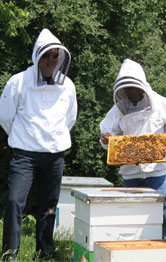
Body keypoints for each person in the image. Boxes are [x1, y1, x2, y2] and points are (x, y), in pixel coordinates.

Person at [0, 28, 77, 261]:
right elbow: (5, 116)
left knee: (49, 206)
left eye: (55, 56)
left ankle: (44, 252)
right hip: (24, 155)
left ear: (61, 58)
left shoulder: (68, 85)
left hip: (55, 155)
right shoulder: (19, 82)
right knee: (14, 202)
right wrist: (24, 138)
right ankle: (9, 254)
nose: (51, 61)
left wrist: (53, 138)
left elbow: (70, 119)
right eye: (46, 56)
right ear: (37, 56)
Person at [99, 58, 166, 243]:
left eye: (135, 89)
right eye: (128, 90)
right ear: (122, 90)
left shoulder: (163, 104)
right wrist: (106, 139)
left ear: (143, 86)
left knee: (165, 218)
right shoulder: (116, 111)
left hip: (157, 174)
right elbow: (107, 138)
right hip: (131, 175)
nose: (132, 93)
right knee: (133, 222)